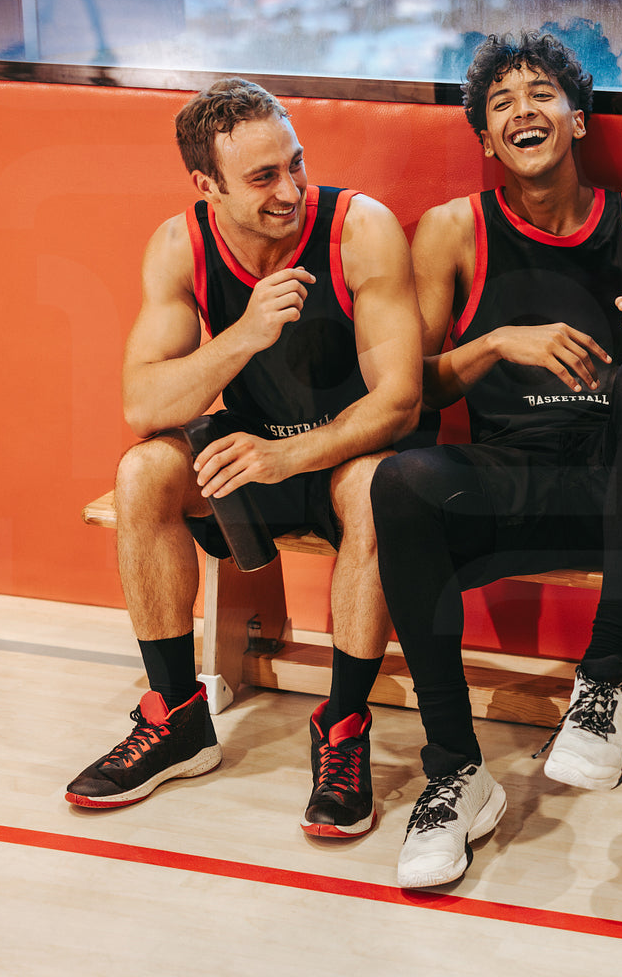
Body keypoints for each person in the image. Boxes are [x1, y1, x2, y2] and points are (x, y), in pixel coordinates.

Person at [370, 31, 622, 889]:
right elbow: (413, 386)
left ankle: (603, 682)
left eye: (541, 93)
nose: (523, 110)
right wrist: (495, 344)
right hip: (514, 474)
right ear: (487, 139)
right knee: (399, 481)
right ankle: (456, 772)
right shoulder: (453, 229)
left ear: (578, 118)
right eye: (502, 102)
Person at [64, 78, 424, 844]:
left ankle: (343, 727)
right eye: (263, 177)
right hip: (254, 459)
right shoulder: (180, 246)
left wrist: (285, 455)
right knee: (143, 471)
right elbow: (143, 404)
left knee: (373, 486)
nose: (290, 190)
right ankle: (176, 719)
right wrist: (245, 334)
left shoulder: (361, 230)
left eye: (296, 164)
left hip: (347, 457)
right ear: (208, 185)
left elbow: (400, 403)